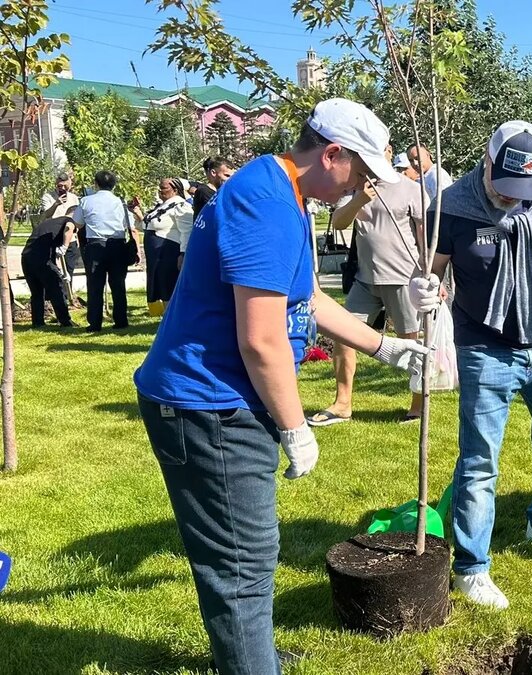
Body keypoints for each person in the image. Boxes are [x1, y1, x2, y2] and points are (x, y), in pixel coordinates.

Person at [134, 98, 431, 675]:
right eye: (364, 172)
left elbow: (304, 298)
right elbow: (262, 340)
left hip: (224, 399)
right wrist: (296, 429)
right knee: (243, 563)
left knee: (249, 552)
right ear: (333, 154)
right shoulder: (268, 202)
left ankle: (252, 655)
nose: (366, 186)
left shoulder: (288, 194)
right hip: (208, 404)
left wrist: (386, 346)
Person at [408, 120, 532, 610]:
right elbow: (432, 269)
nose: (515, 199)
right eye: (506, 186)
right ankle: (472, 567)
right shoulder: (450, 206)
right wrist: (424, 290)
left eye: (524, 190)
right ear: (487, 161)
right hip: (482, 346)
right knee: (479, 459)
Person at [307, 144, 429, 426]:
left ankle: (418, 406)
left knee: (413, 344)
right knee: (342, 336)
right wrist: (360, 198)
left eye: (380, 151)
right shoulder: (355, 186)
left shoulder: (411, 189)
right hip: (366, 279)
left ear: (389, 151)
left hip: (403, 280)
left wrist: (431, 275)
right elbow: (337, 223)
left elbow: (425, 237)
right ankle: (342, 404)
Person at [73, 170, 138, 332]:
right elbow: (130, 226)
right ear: (114, 185)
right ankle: (121, 320)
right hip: (117, 245)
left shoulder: (86, 201)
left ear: (96, 184)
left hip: (95, 246)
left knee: (95, 285)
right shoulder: (120, 202)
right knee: (118, 284)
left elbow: (77, 223)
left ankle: (95, 323)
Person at [133, 177, 193, 317]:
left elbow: (187, 231)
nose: (160, 191)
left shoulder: (181, 207)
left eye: (164, 188)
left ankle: (175, 316)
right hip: (157, 255)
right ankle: (167, 315)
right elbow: (146, 226)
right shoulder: (161, 206)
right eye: (159, 188)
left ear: (175, 190)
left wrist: (183, 253)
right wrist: (138, 215)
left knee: (169, 284)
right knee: (161, 285)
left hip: (169, 252)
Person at [20, 209, 77, 328]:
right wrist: (65, 247)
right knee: (57, 288)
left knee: (37, 292)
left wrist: (60, 271)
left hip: (26, 257)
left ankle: (38, 323)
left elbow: (50, 254)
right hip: (41, 259)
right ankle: (65, 321)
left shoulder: (50, 223)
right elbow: (69, 229)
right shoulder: (69, 220)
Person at [41, 172, 82, 293]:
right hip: (53, 238)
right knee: (53, 269)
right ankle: (55, 295)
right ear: (56, 184)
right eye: (60, 186)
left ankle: (68, 295)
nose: (62, 189)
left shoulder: (74, 198)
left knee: (69, 269)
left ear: (70, 184)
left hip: (71, 239)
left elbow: (78, 218)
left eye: (65, 186)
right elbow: (46, 215)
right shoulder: (48, 197)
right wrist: (56, 204)